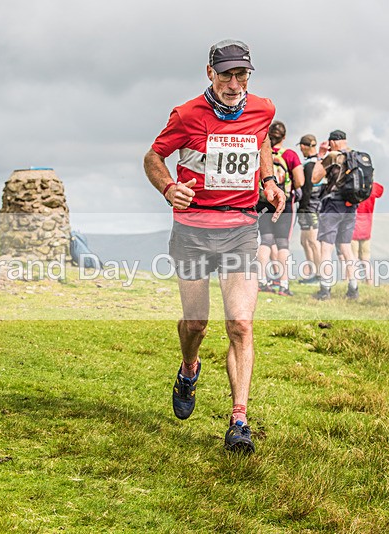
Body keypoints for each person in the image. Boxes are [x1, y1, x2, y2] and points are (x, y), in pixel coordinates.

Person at [143, 39, 284, 454]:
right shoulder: (186, 115)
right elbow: (153, 157)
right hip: (192, 231)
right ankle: (189, 368)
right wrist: (169, 188)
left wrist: (270, 180)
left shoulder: (264, 109)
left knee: (240, 324)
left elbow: (261, 142)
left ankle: (239, 420)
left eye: (242, 74)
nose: (235, 82)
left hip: (240, 227)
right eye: (226, 74)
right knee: (196, 325)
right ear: (210, 73)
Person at [313, 130, 362, 301]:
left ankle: (325, 289)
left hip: (333, 205)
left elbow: (315, 177)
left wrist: (320, 155)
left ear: (333, 142)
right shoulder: (356, 156)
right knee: (346, 248)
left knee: (326, 248)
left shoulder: (332, 156)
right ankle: (353, 288)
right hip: (351, 206)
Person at [255, 121, 303, 296]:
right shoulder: (290, 155)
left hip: (262, 200)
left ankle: (261, 280)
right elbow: (300, 181)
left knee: (265, 241)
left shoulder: (260, 152)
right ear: (284, 136)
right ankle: (283, 283)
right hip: (284, 202)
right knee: (282, 242)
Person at [296, 134, 326, 283]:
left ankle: (319, 274)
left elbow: (307, 189)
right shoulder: (319, 162)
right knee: (304, 241)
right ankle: (313, 272)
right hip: (315, 205)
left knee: (312, 241)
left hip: (309, 207)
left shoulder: (309, 165)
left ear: (303, 147)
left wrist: (302, 207)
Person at [352, 181, 384, 285]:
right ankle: (370, 283)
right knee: (366, 259)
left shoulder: (353, 185)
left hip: (352, 228)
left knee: (353, 259)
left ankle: (354, 284)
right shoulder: (373, 187)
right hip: (366, 229)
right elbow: (381, 190)